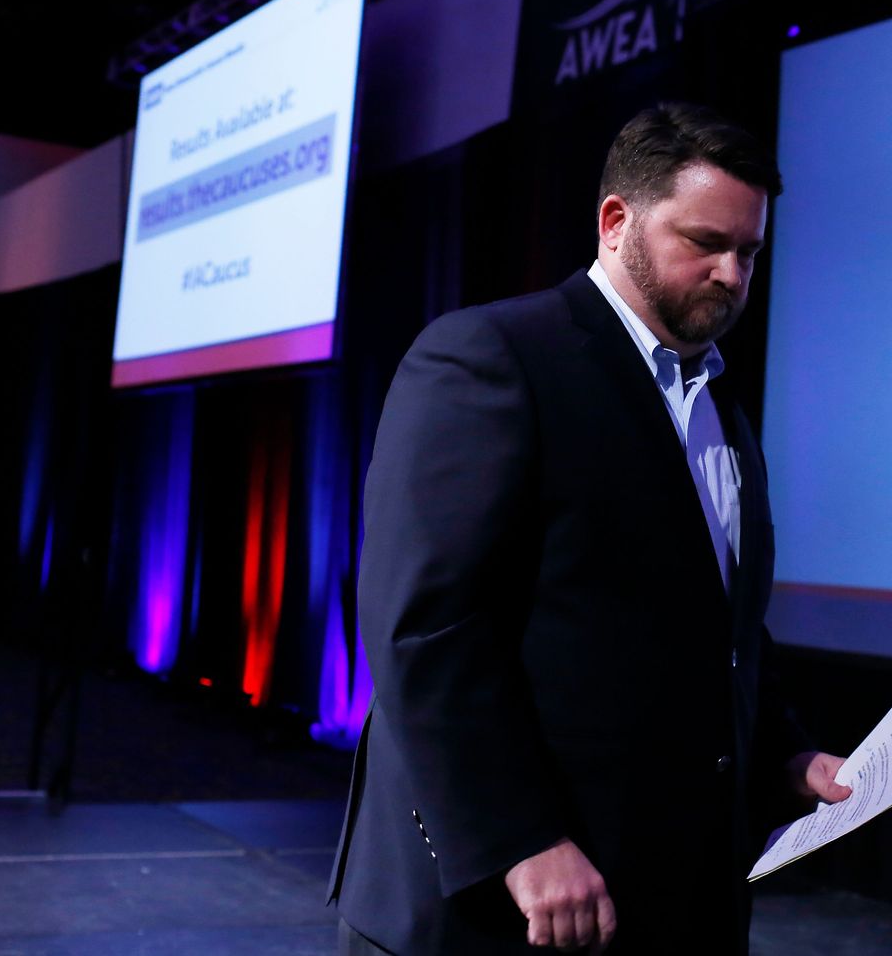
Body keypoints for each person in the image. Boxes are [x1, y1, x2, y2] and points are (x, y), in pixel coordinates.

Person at [329, 102, 850, 954]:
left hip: (667, 900)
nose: (730, 274)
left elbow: (718, 634)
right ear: (617, 222)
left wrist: (786, 759)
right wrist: (517, 840)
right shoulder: (491, 356)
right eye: (704, 242)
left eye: (749, 253)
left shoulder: (720, 405)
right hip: (501, 910)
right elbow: (424, 625)